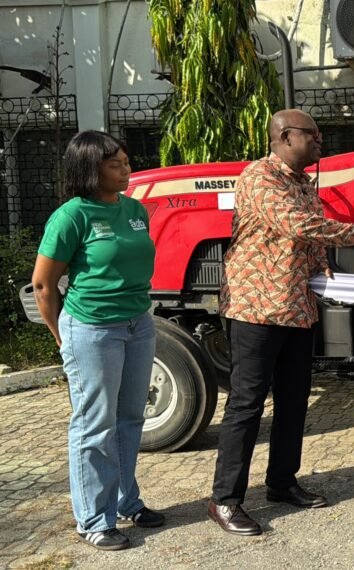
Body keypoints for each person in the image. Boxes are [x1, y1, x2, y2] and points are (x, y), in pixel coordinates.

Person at [208, 109, 354, 536]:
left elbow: (306, 239)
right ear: (285, 136)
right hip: (256, 308)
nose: (320, 141)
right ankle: (224, 499)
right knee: (247, 404)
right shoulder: (260, 178)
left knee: (294, 400)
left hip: (296, 306)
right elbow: (299, 224)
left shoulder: (304, 184)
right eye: (312, 135)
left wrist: (320, 264)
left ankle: (281, 482)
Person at [31, 131, 163, 551]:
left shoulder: (134, 209)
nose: (126, 169)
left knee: (130, 419)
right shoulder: (72, 216)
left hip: (137, 324)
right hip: (91, 328)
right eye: (114, 164)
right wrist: (62, 337)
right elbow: (42, 285)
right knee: (94, 425)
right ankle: (92, 519)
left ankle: (126, 502)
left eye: (126, 162)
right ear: (90, 169)